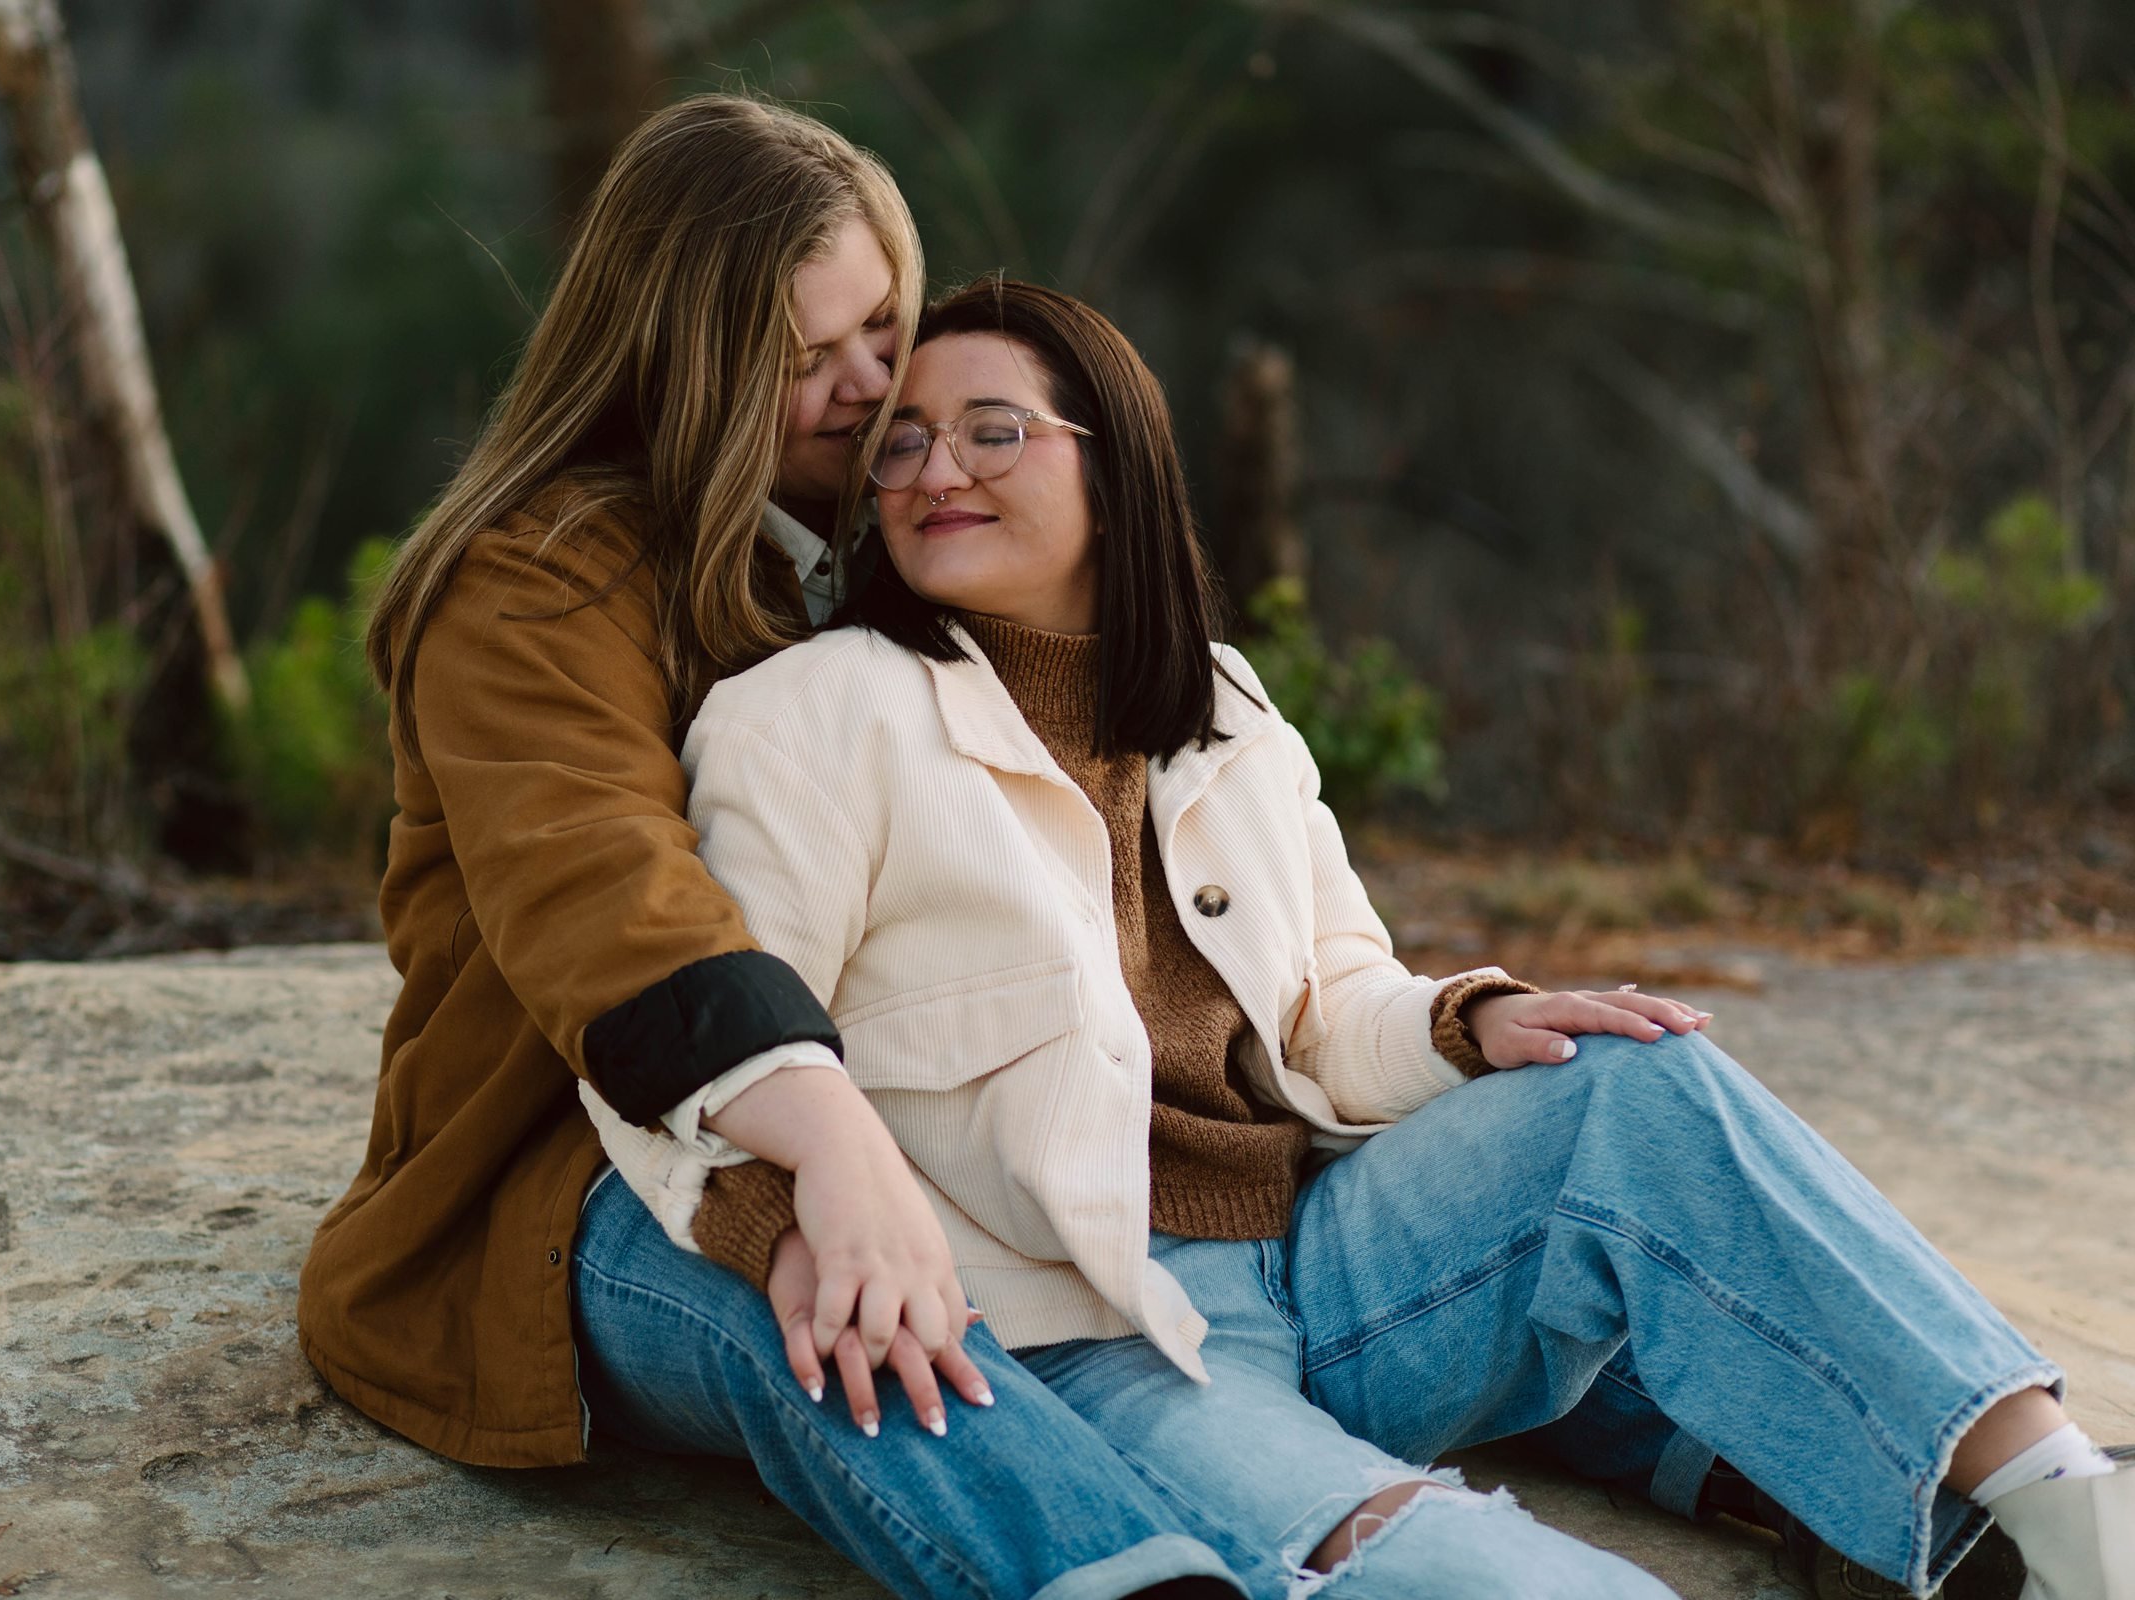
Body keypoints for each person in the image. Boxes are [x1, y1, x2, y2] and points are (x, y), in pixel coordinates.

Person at [587, 275, 2135, 1599]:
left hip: (1324, 1268)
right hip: (1088, 1335)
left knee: (1641, 1086)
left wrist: (1470, 1024)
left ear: (1113, 462)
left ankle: (2067, 1509)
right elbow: (718, 1047)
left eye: (993, 429)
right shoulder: (810, 715)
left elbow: (1331, 1002)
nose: (934, 470)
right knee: (1439, 1562)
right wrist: (774, 1242)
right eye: (904, 444)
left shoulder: (1223, 701)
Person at [301, 93, 1286, 1598]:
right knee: (837, 1297)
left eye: (883, 325)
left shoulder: (881, 539)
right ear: (678, 359)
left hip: (919, 1136)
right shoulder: (531, 587)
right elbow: (614, 904)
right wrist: (835, 1153)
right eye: (800, 354)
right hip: (570, 1180)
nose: (872, 386)